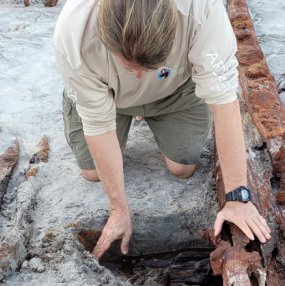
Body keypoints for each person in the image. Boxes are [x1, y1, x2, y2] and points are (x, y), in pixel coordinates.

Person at [53, 0, 272, 259]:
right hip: (109, 97)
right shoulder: (74, 31)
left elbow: (224, 103)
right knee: (92, 172)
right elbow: (97, 125)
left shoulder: (201, 11)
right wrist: (118, 210)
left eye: (147, 67)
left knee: (182, 168)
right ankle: (130, 110)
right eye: (127, 65)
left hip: (174, 90)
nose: (137, 75)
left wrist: (237, 198)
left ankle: (158, 107)